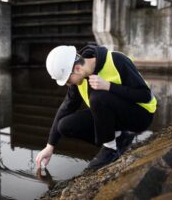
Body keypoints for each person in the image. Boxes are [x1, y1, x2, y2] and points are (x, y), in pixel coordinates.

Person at [35, 43, 157, 171]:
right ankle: (120, 139)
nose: (68, 84)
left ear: (77, 68)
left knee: (98, 97)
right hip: (115, 116)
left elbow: (145, 96)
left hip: (141, 115)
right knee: (64, 126)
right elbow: (66, 108)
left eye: (68, 81)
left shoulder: (117, 60)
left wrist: (109, 86)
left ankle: (111, 149)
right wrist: (50, 146)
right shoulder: (79, 78)